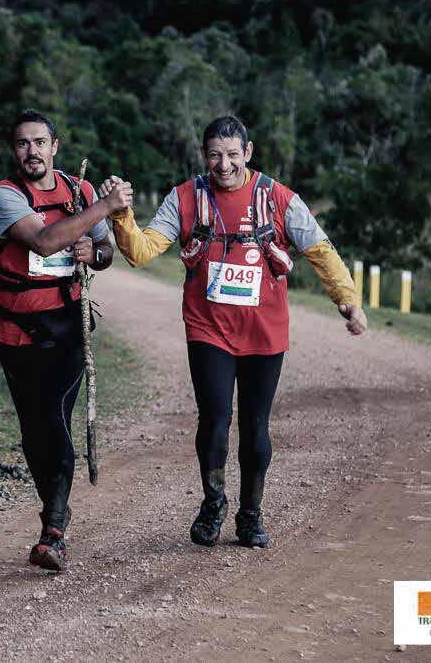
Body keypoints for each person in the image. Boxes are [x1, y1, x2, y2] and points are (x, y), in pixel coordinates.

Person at [105, 115, 367, 549]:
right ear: (203, 155)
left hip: (266, 331)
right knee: (214, 419)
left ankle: (251, 514)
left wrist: (348, 300)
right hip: (208, 327)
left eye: (231, 155)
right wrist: (121, 215)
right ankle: (213, 503)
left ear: (248, 153)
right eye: (213, 155)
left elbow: (320, 250)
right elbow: (142, 250)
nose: (222, 165)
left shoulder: (278, 199)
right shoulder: (185, 198)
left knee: (255, 426)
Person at [0, 110, 132, 570]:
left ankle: (53, 530)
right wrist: (104, 207)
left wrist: (97, 251)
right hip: (17, 331)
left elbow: (105, 251)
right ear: (15, 151)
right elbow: (45, 242)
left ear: (55, 146)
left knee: (55, 419)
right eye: (23, 144)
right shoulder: (5, 197)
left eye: (40, 142)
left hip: (69, 326)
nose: (32, 152)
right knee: (33, 431)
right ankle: (55, 509)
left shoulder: (79, 191)